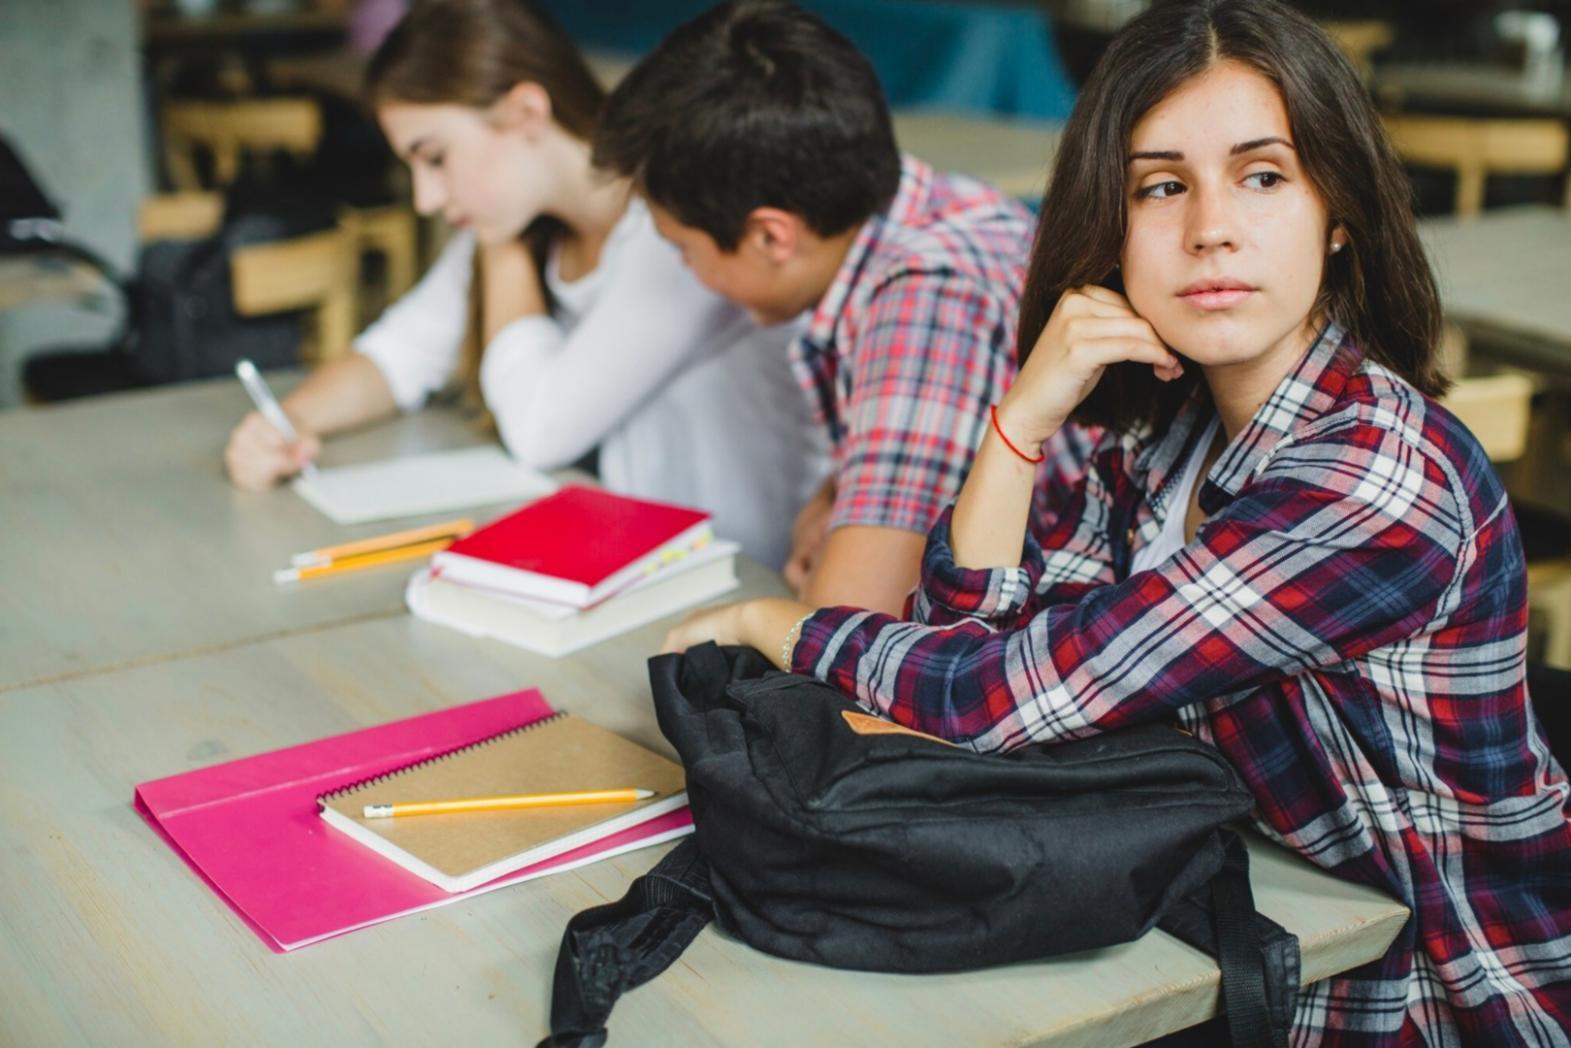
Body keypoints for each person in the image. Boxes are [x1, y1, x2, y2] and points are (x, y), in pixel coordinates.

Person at [663, 0, 1571, 1040]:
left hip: (1417, 994)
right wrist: (1018, 421)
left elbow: (993, 696)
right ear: (1111, 222)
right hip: (1230, 934)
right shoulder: (1170, 437)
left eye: (1261, 175)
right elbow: (972, 638)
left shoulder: (1368, 479)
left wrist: (774, 624)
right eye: (1160, 186)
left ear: (1338, 211)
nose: (1209, 227)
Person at [222, 0, 821, 568]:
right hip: (637, 558)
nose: (428, 198)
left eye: (434, 157)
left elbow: (540, 431)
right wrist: (289, 421)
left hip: (744, 573)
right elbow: (398, 353)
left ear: (527, 114)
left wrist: (499, 247)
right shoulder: (521, 220)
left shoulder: (679, 231)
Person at [593, 1, 1089, 615]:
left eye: (683, 249)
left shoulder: (928, 294)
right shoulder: (928, 206)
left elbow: (852, 618)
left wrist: (838, 562)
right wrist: (833, 504)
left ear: (773, 236)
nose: (686, 273)